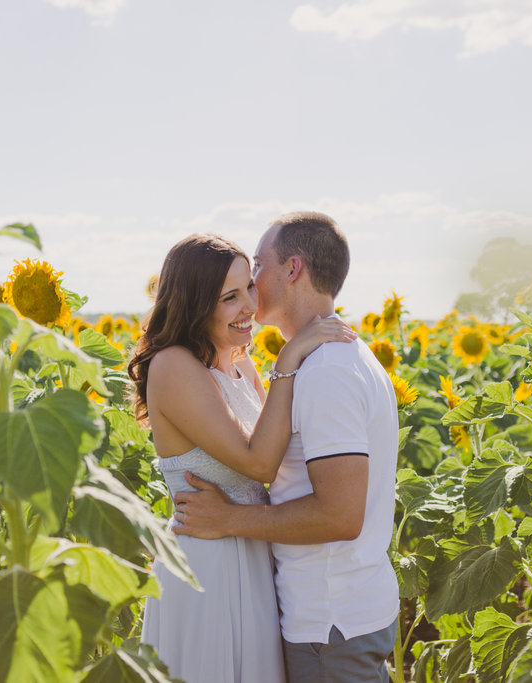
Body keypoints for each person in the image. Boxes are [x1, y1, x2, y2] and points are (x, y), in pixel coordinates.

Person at [173, 212, 401, 683]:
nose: (253, 285)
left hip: (330, 620)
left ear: (292, 269)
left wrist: (230, 518)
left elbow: (340, 515)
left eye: (259, 267)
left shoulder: (325, 371)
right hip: (329, 610)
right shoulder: (329, 360)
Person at [127, 233, 357, 683]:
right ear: (195, 304)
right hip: (204, 564)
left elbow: (279, 443)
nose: (249, 305)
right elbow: (258, 464)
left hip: (251, 555)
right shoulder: (173, 365)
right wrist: (289, 356)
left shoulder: (238, 363)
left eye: (248, 287)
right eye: (229, 297)